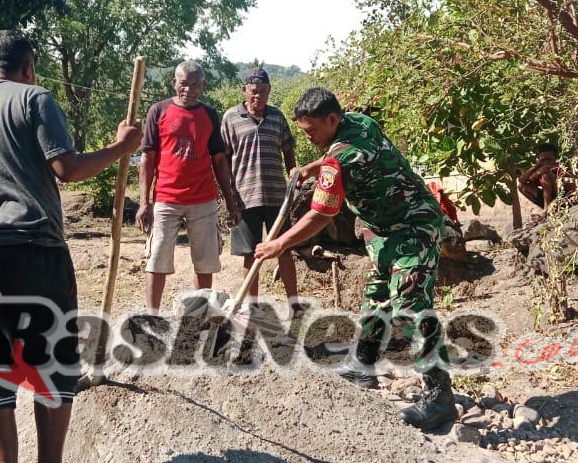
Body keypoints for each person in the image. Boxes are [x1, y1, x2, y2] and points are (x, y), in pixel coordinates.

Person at [0, 30, 141, 463]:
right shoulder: (34, 99)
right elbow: (65, 167)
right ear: (28, 68)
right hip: (30, 248)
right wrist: (122, 147)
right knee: (52, 366)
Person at [254, 88, 456, 430]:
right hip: (385, 229)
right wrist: (310, 167)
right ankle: (363, 366)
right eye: (303, 131)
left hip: (414, 224)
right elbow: (341, 153)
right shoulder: (358, 122)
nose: (310, 137)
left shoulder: (339, 159)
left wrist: (279, 244)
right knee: (378, 297)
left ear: (333, 119)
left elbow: (321, 215)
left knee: (411, 304)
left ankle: (440, 398)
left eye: (312, 130)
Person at [136, 60, 242, 311]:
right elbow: (147, 158)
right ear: (174, 83)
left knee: (205, 262)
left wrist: (230, 200)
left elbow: (219, 159)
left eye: (195, 84)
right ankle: (153, 315)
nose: (189, 89)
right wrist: (144, 203)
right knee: (157, 259)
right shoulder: (158, 111)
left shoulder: (209, 114)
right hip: (166, 198)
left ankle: (198, 315)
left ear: (202, 86)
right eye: (184, 83)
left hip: (203, 199)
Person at [220, 67, 302, 313]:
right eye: (253, 92)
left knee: (284, 250)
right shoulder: (231, 118)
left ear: (269, 91)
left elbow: (288, 148)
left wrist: (293, 174)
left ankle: (294, 306)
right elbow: (223, 158)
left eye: (263, 92)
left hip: (278, 196)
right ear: (244, 90)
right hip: (244, 198)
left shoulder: (277, 117)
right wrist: (229, 198)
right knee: (251, 254)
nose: (258, 97)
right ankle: (252, 307)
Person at [518, 143, 575, 216]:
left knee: (546, 176)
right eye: (543, 160)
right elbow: (522, 180)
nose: (546, 162)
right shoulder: (539, 169)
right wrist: (536, 167)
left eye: (549, 159)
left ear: (555, 158)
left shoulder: (559, 168)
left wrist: (540, 171)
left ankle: (547, 209)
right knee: (521, 186)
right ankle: (548, 208)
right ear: (538, 159)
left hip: (565, 199)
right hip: (551, 199)